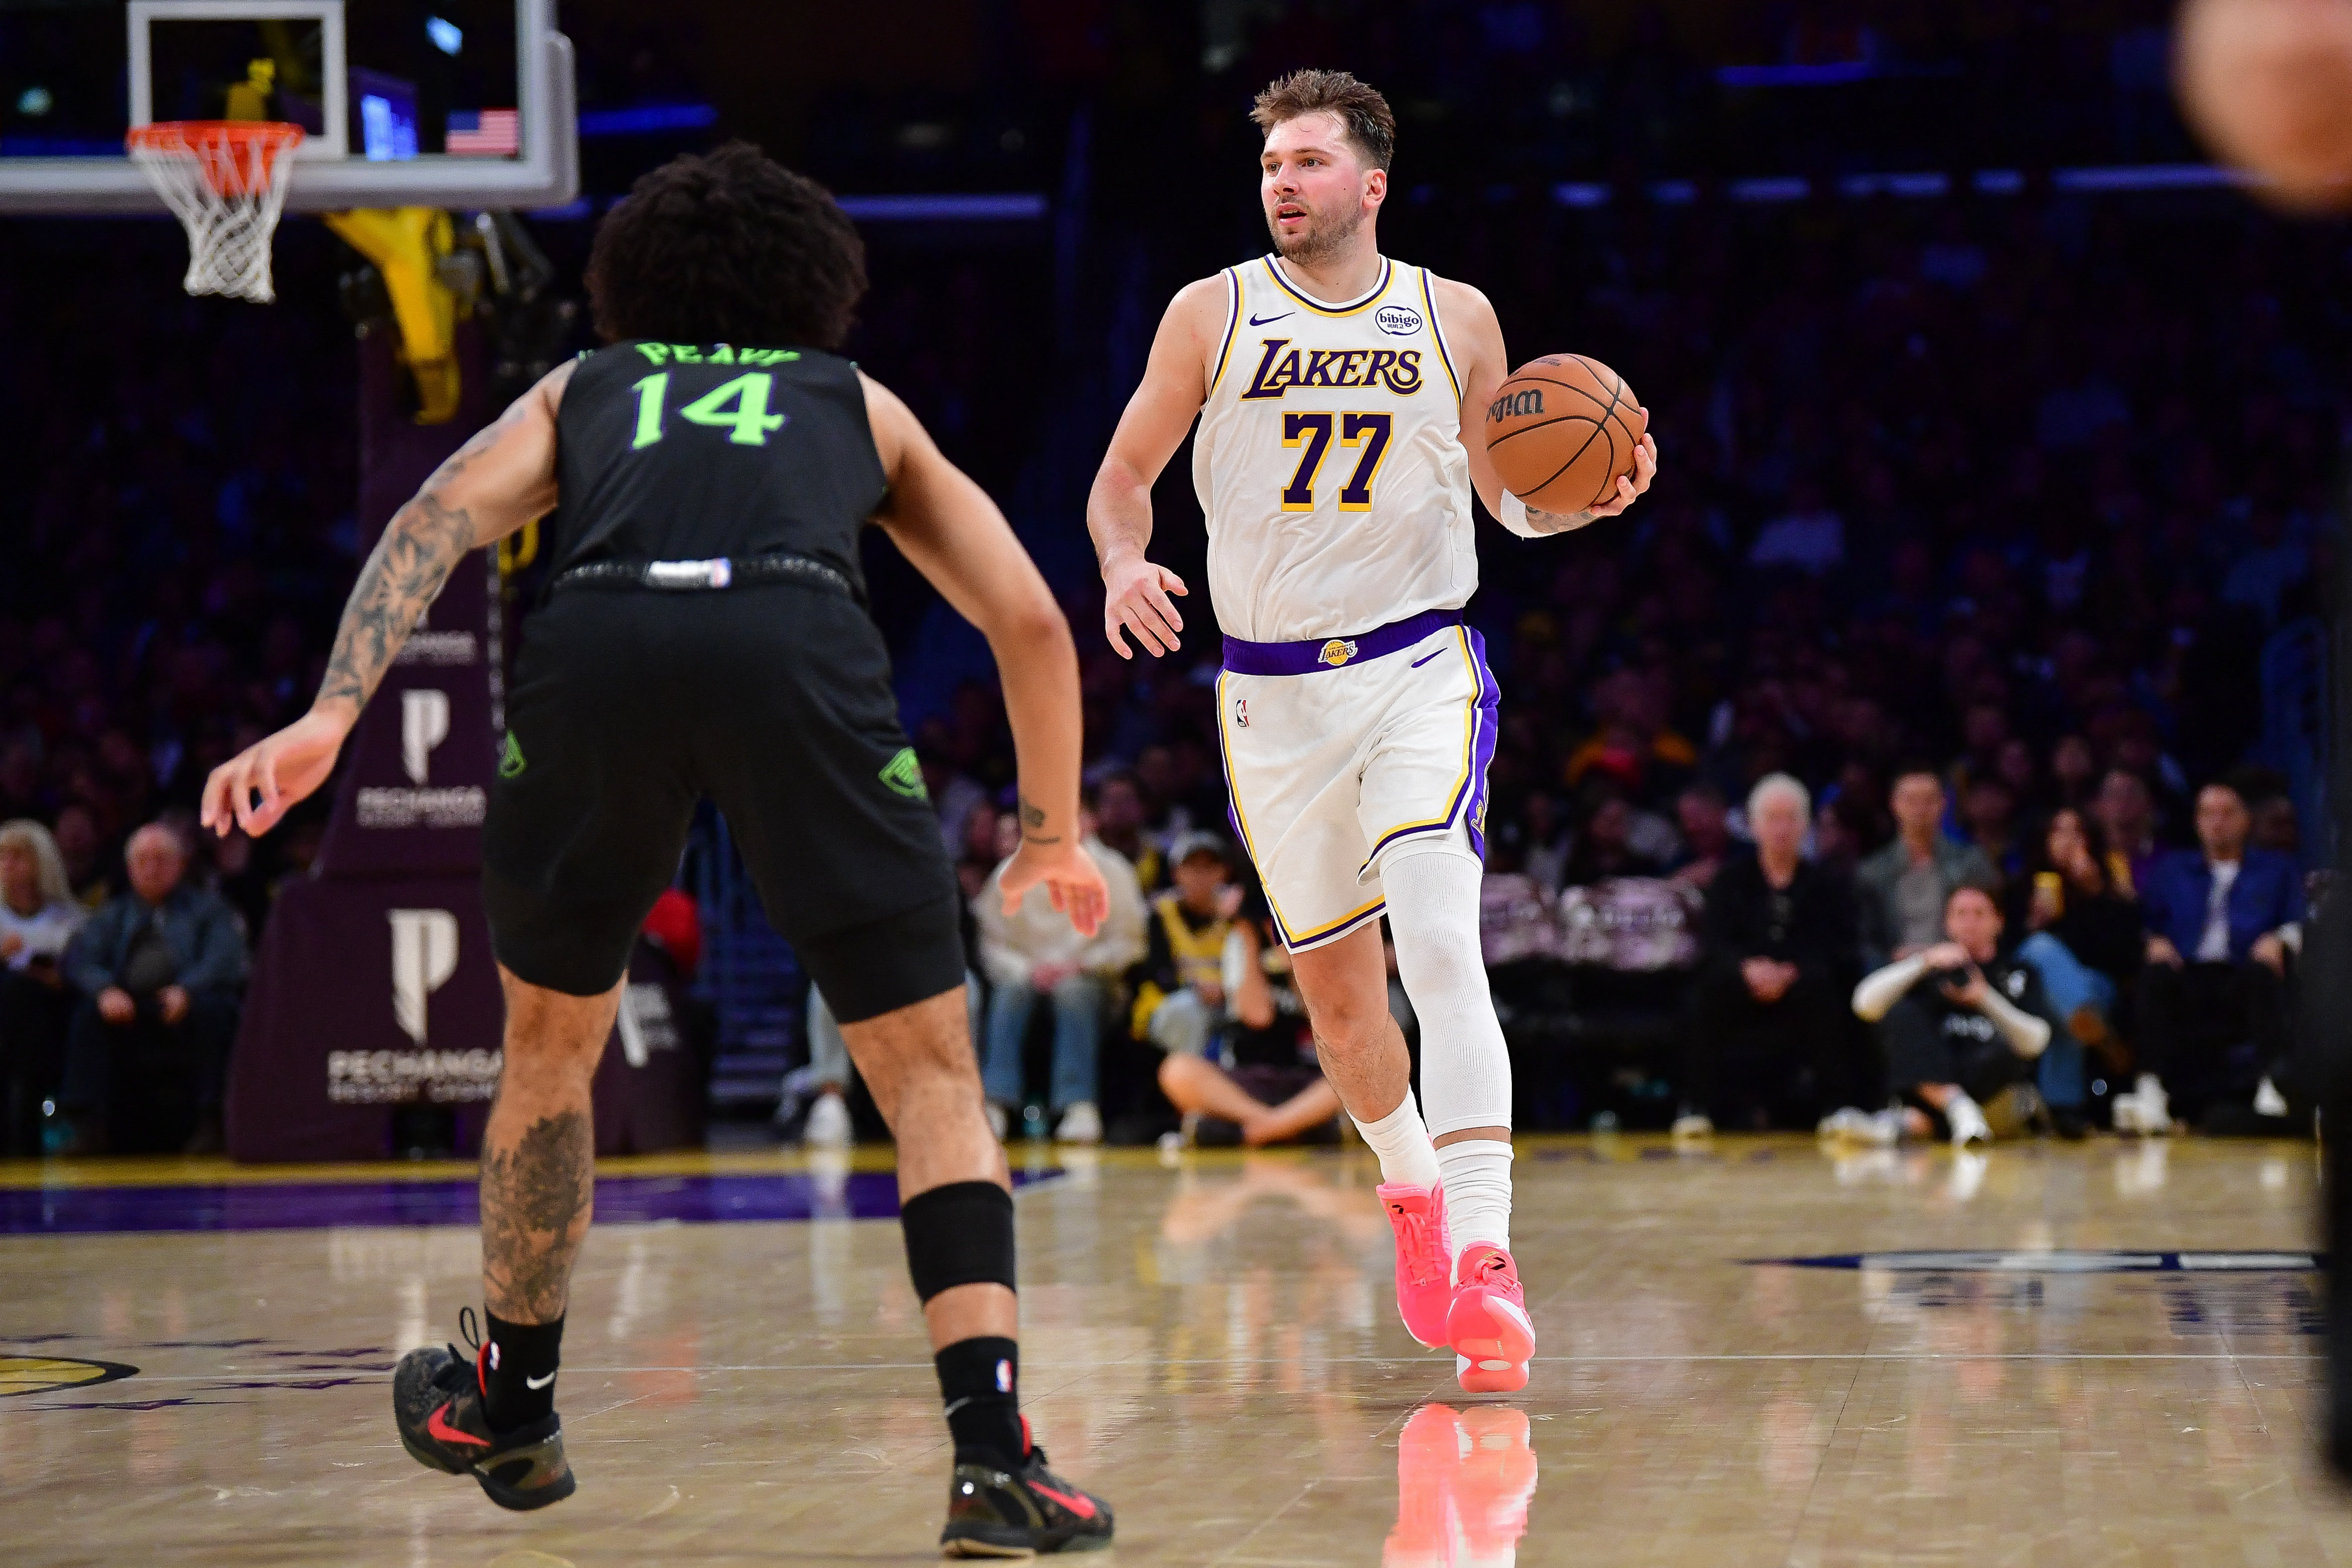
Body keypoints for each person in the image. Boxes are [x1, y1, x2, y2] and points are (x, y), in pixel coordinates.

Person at [199, 145, 1116, 1554]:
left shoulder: (587, 389)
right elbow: (1035, 623)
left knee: (551, 1056)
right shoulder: (854, 402)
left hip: (602, 644)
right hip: (796, 639)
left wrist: (331, 716)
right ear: (815, 285)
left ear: (633, 285)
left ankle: (512, 1405)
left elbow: (431, 520)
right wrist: (1051, 831)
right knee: (932, 1077)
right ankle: (994, 1460)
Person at [1086, 68, 1655, 1394]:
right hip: (1269, 696)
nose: (1282, 182)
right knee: (1344, 1012)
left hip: (1418, 668)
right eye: (1271, 164)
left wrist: (1588, 504)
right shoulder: (1209, 311)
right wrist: (1124, 563)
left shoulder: (1452, 315)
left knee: (1444, 942)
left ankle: (1488, 1253)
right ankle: (1411, 1190)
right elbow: (1122, 478)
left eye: (1307, 162)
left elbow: (1511, 499)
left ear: (1372, 183)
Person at [1673, 776, 1862, 1140]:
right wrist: (1748, 969)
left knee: (1827, 989)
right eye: (1772, 818)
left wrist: (1790, 971)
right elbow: (1715, 942)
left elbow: (1835, 945)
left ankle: (1838, 1107)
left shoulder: (1827, 882)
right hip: (1741, 981)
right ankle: (1695, 1105)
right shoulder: (1730, 879)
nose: (1781, 827)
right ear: (1754, 825)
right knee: (1704, 993)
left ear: (1804, 825)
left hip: (1802, 982)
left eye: (1790, 817)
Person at [2115, 782, 2301, 1134]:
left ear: (2246, 820)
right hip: (2188, 972)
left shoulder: (2276, 869)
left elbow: (2298, 921)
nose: (2217, 822)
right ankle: (2150, 1089)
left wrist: (2279, 938)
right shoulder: (2172, 869)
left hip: (2242, 970)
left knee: (2265, 976)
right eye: (2208, 814)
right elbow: (2143, 923)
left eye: (2227, 813)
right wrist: (2152, 940)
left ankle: (2272, 1085)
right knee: (2154, 976)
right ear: (2197, 821)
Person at [55, 821, 247, 1154]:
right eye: (143, 860)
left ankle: (211, 1122)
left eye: (161, 859)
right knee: (87, 1015)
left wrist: (188, 989)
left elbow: (225, 958)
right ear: (130, 868)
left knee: (217, 1011)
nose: (152, 868)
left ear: (181, 864)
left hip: (187, 1004)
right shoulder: (112, 913)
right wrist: (105, 991)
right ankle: (88, 1126)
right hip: (128, 1005)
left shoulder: (210, 909)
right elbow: (81, 961)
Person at [975, 802, 1147, 1144]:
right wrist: (1029, 969)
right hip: (1027, 977)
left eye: (1075, 816)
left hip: (1092, 981)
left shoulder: (1113, 870)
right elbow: (992, 943)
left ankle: (1078, 1105)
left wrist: (1081, 965)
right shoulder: (1012, 870)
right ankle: (995, 1101)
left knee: (1074, 991)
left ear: (1091, 820)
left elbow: (1130, 944)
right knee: (1011, 991)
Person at [1852, 884, 2061, 1146]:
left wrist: (1985, 998)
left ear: (1999, 922)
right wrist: (1922, 961)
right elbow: (1865, 1005)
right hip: (1936, 1072)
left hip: (1987, 1082)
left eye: (1979, 914)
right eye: (1960, 914)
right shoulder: (1928, 971)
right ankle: (1955, 1109)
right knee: (1901, 1015)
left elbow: (2036, 1042)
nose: (1969, 923)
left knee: (2005, 1052)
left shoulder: (2017, 972)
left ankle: (1911, 1125)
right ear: (1947, 924)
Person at [1153, 884, 1346, 1147]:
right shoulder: (1241, 940)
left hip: (1305, 1077)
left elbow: (1321, 1017)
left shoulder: (1317, 943)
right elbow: (1257, 1016)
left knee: (1356, 1076)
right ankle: (1286, 1127)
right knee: (1176, 1070)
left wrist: (1294, 960)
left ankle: (1237, 1132)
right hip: (1245, 1081)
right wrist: (1247, 933)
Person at [2007, 806, 2143, 1136]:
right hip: (2029, 987)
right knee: (2040, 948)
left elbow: (2125, 956)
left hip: (2094, 983)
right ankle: (2105, 1042)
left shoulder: (2109, 886)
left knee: (2065, 1002)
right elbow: (2007, 949)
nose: (2067, 841)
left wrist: (2096, 892)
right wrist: (2033, 924)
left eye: (2076, 832)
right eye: (2059, 831)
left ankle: (2062, 1107)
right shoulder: (2021, 886)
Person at [1854, 766, 1998, 971]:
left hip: (1959, 967)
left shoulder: (1970, 862)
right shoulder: (1872, 872)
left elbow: (1991, 926)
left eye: (1928, 799)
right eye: (1911, 800)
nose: (1920, 808)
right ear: (1894, 804)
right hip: (1896, 973)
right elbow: (1867, 941)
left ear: (1943, 803)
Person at [0, 819, 85, 1156]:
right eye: (2, 857)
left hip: (49, 1019)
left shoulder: (68, 919)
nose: (7, 865)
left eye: (18, 857)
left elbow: (82, 974)